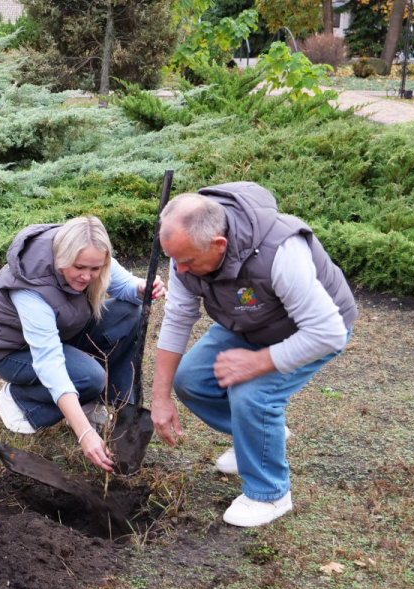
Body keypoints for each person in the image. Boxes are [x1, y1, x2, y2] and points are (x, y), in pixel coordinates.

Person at [150, 182, 357, 527]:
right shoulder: (184, 253)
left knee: (252, 394)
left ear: (219, 245)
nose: (178, 270)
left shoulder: (280, 252)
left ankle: (270, 494)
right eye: (174, 259)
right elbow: (178, 318)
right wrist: (160, 397)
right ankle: (260, 438)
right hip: (247, 323)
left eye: (186, 261)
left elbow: (328, 333)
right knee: (191, 379)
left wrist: (258, 362)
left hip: (309, 329)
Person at [0, 216, 163, 472]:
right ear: (63, 258)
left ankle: (111, 407)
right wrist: (84, 433)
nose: (87, 276)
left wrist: (142, 288)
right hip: (11, 351)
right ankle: (20, 400)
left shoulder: (89, 251)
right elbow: (50, 362)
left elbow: (124, 285)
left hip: (64, 329)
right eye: (79, 268)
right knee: (89, 377)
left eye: (95, 269)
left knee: (132, 313)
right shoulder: (30, 286)